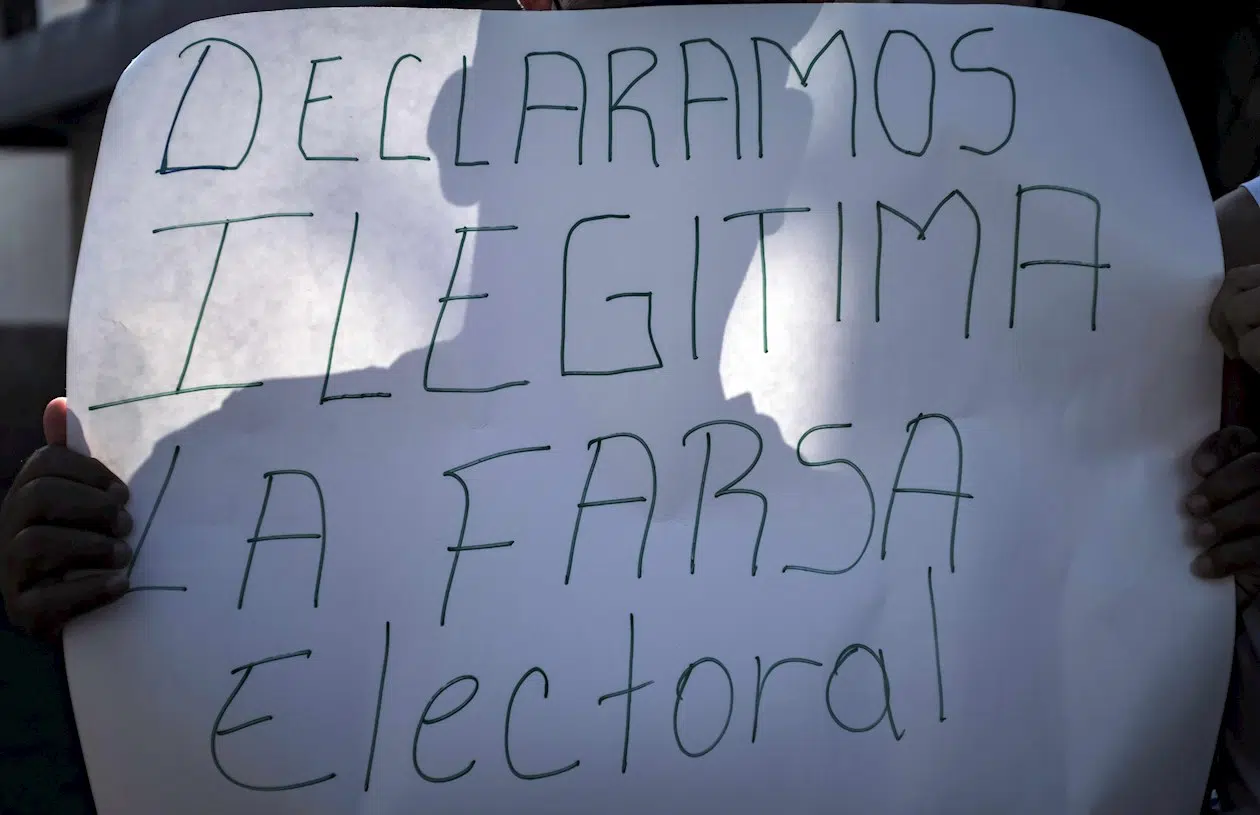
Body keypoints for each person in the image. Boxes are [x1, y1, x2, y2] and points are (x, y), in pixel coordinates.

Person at [0, 1, 1257, 813]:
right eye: (575, 94)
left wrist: (1185, 561)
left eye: (727, 114)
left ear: (782, 168)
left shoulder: (896, 541)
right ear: (459, 139)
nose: (656, 155)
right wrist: (88, 578)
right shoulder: (246, 467)